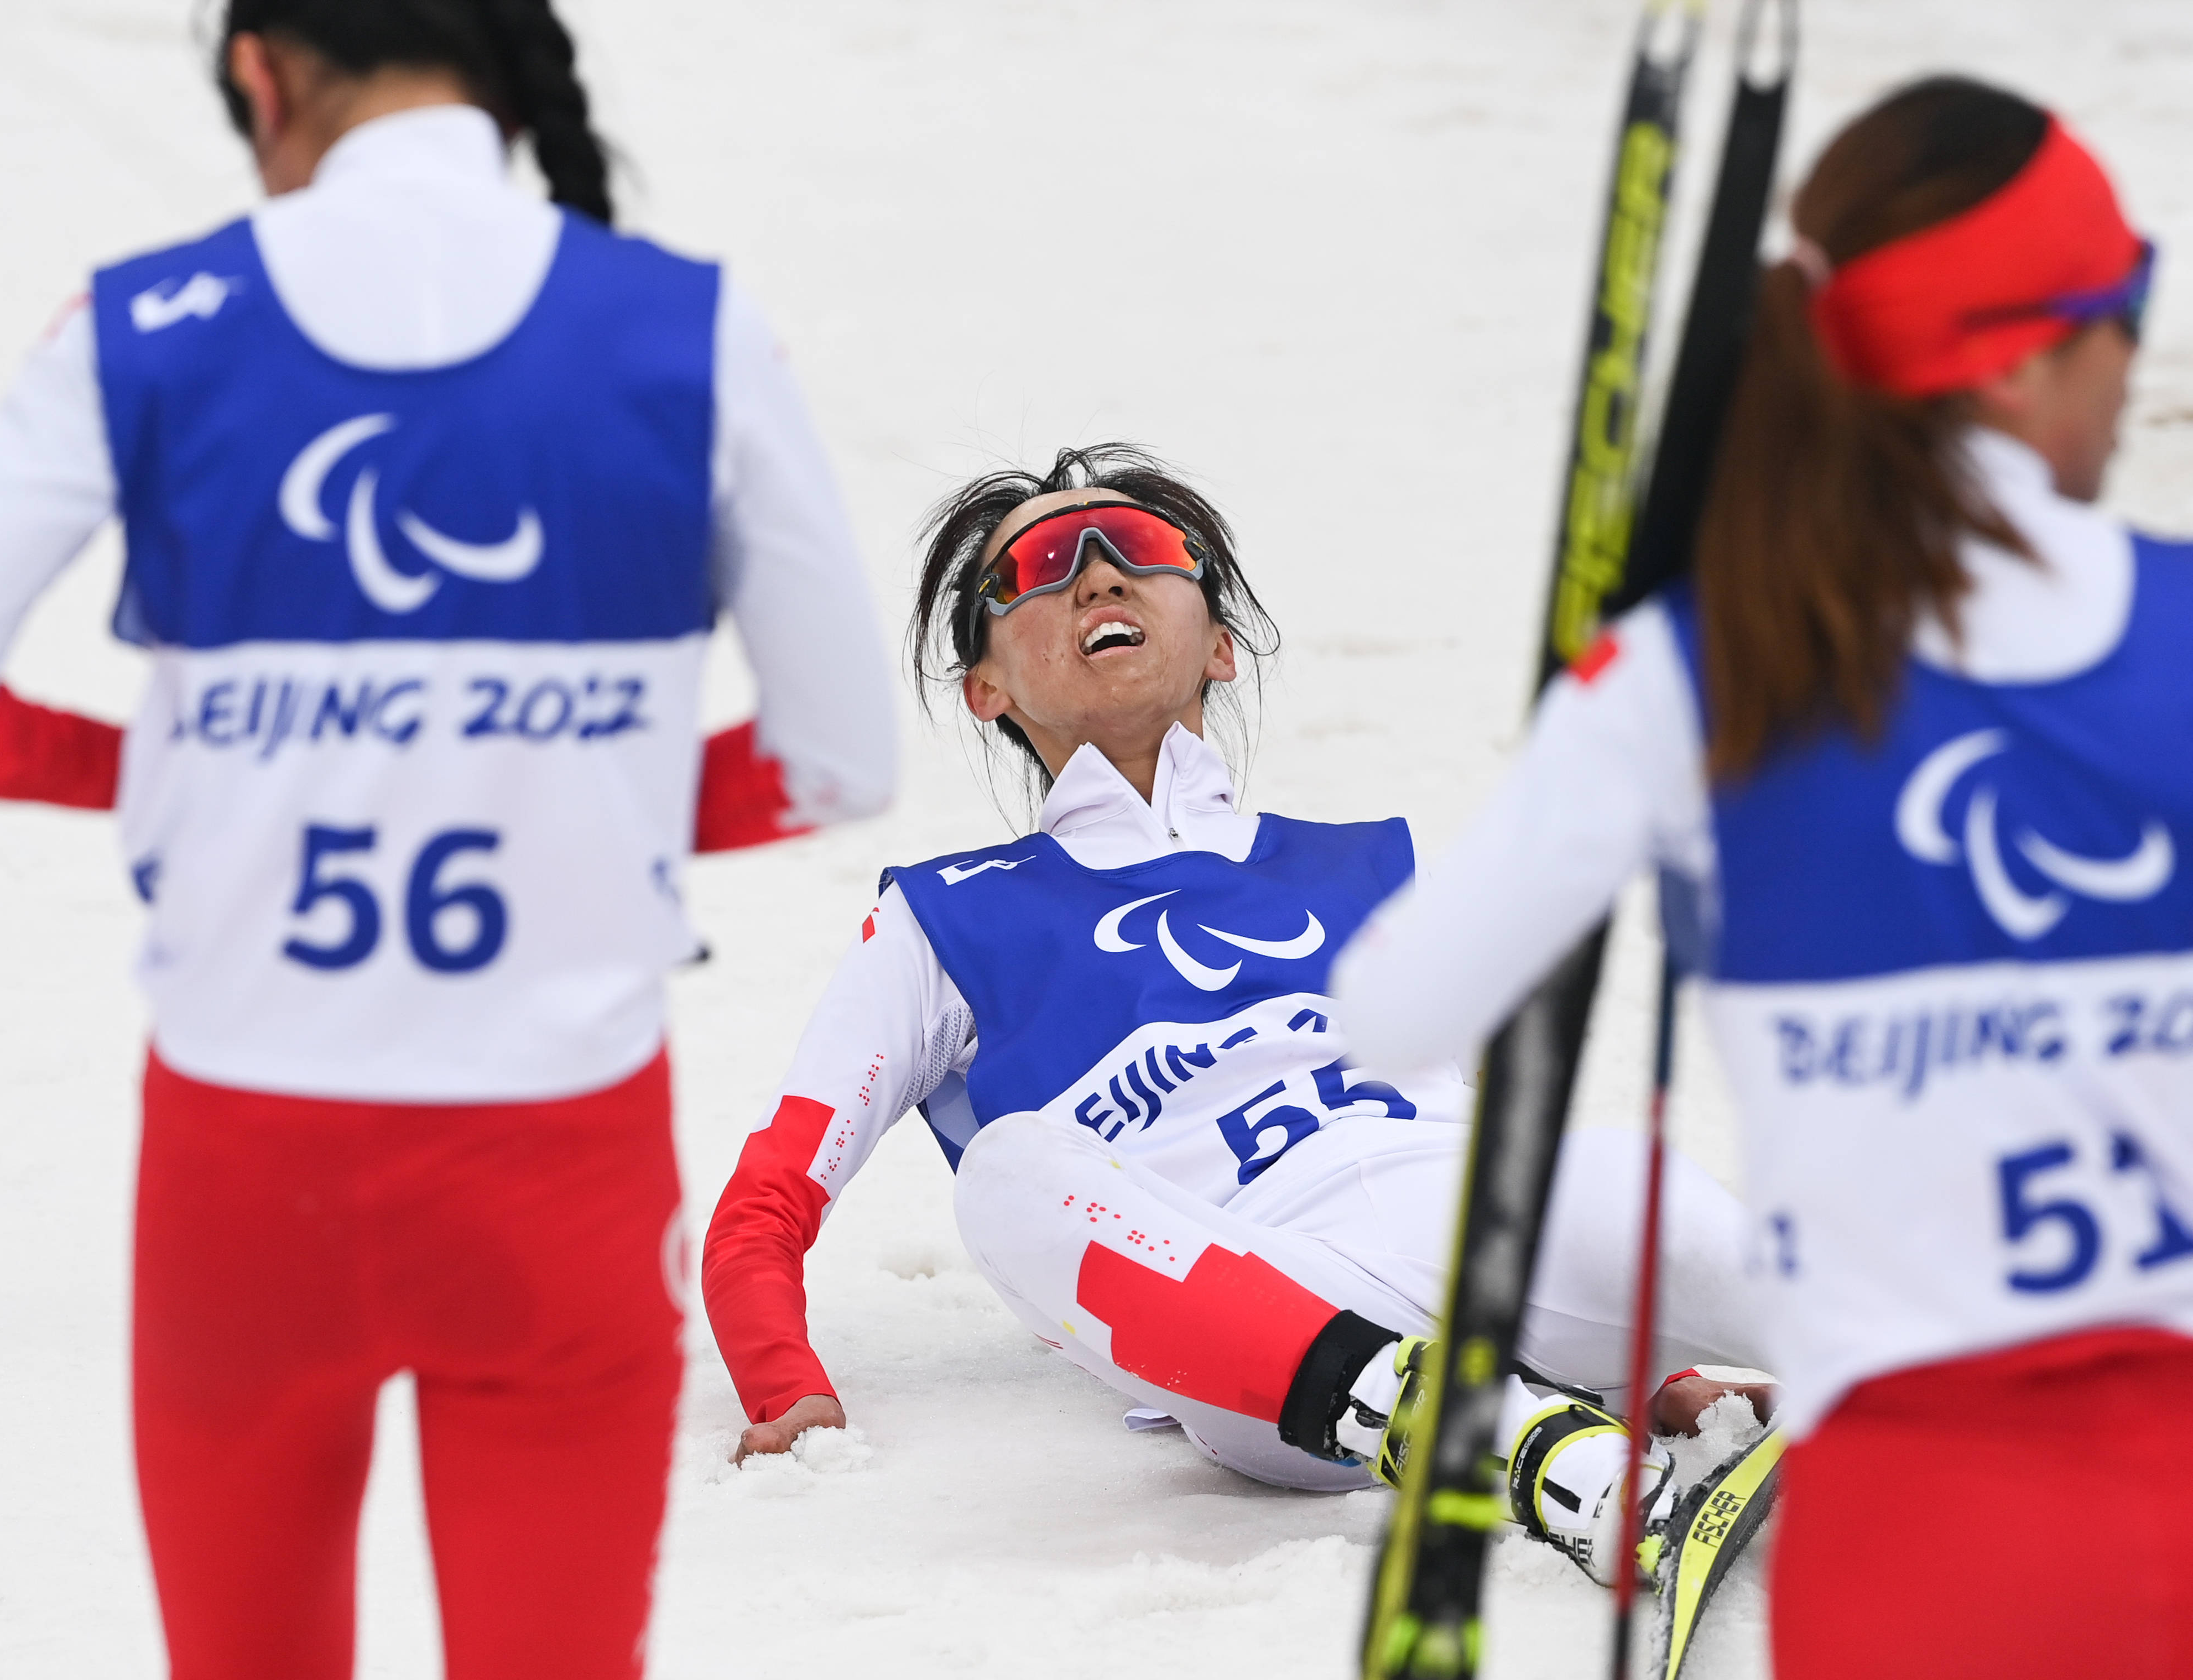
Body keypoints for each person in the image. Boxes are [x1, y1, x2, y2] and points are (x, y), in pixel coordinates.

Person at [1334, 76, 2193, 1680]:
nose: (2133, 369)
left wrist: (1600, 710)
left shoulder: (1698, 679)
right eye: (2121, 314)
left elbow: (1398, 1011)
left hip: (1912, 1543)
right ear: (2016, 355)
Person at [0, 4, 894, 1680]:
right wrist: (572, 795)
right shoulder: (687, 329)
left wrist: (169, 783)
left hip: (243, 1165)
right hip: (554, 1162)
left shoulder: (142, 325)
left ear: (262, 71)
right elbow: (839, 752)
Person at [700, 443, 1769, 1585]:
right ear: (987, 686)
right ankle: (1530, 1454)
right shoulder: (943, 918)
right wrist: (788, 1391)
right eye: (1046, 563)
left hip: (1474, 1225)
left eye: (1146, 552)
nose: (1100, 577)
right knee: (1007, 1171)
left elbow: (1485, 1119)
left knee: (1623, 1174)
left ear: (1217, 642)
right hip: (1274, 1320)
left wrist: (1648, 1366)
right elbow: (766, 1201)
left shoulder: (1365, 864)